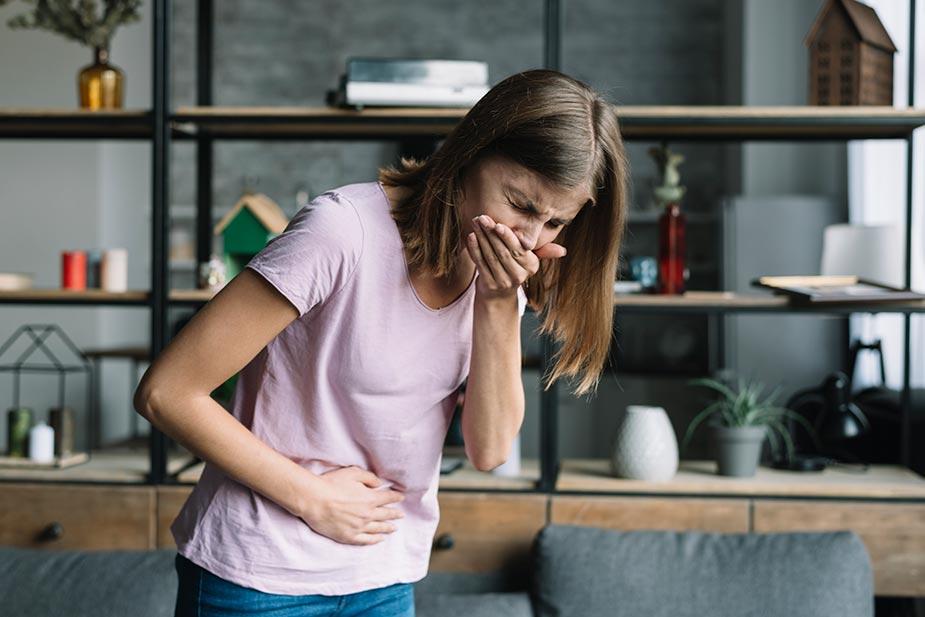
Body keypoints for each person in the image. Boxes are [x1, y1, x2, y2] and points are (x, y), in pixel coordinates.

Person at [133, 68, 629, 617]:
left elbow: (489, 451)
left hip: (382, 574)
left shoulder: (501, 273)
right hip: (260, 572)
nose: (529, 240)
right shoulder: (342, 231)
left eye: (557, 223)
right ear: (470, 153)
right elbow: (167, 393)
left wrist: (495, 303)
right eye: (522, 204)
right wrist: (314, 499)